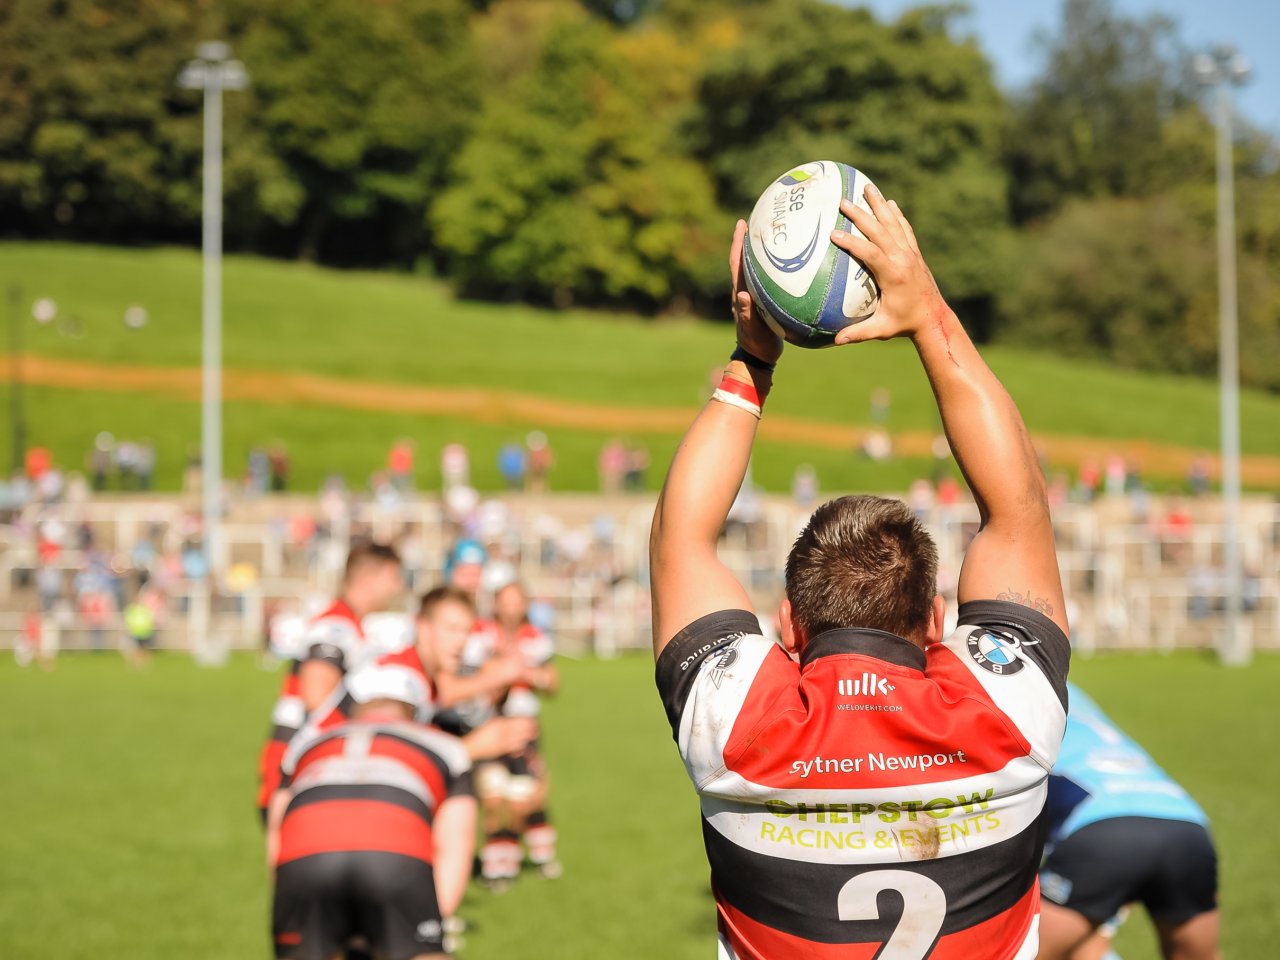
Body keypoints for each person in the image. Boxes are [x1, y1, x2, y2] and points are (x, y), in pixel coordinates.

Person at [649, 189, 1070, 958]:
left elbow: (681, 539)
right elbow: (1020, 512)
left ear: (789, 625)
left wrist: (753, 358)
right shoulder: (1010, 721)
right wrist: (928, 312)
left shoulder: (737, 731)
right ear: (937, 623)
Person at [267, 664, 473, 960]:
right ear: (415, 711)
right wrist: (429, 925)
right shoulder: (446, 746)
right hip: (394, 855)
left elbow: (278, 828)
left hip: (304, 855)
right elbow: (456, 842)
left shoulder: (307, 744)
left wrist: (289, 893)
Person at [376, 586, 540, 898]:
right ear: (421, 627)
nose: (461, 640)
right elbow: (386, 758)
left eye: (466, 631)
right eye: (451, 629)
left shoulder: (421, 678)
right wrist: (472, 747)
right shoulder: (398, 678)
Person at [1037, 683, 1219, 960]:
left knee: (1028, 952)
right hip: (1186, 823)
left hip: (1102, 828)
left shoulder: (1002, 691)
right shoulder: (1062, 685)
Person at [255, 542, 405, 820]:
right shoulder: (335, 627)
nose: (397, 588)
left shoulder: (349, 624)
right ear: (367, 578)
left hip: (311, 763)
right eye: (392, 578)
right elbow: (318, 698)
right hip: (298, 765)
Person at [470, 581, 561, 885]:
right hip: (490, 724)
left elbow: (552, 683)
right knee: (493, 797)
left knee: (525, 797)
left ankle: (534, 855)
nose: (510, 609)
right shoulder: (481, 633)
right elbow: (472, 674)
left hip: (524, 728)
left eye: (516, 602)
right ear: (495, 604)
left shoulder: (535, 638)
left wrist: (527, 674)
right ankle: (498, 868)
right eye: (505, 602)